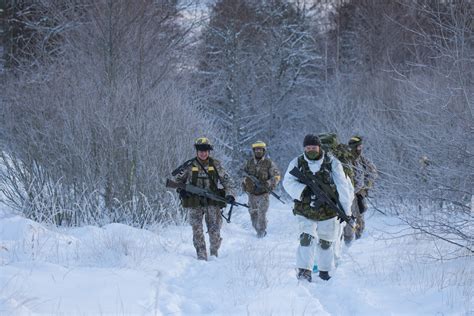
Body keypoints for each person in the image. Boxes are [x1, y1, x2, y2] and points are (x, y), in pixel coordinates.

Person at [283, 134, 354, 282]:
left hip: (328, 210)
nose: (311, 150)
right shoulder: (297, 162)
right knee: (306, 239)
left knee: (326, 242)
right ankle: (304, 271)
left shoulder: (332, 163)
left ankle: (324, 272)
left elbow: (343, 187)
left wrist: (346, 211)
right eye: (308, 148)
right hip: (305, 209)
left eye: (314, 147)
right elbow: (287, 182)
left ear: (319, 147)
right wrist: (303, 190)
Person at [174, 137, 235, 260]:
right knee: (197, 229)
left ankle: (214, 254)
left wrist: (230, 195)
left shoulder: (216, 165)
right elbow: (178, 181)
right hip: (194, 202)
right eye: (201, 150)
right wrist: (181, 190)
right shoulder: (189, 165)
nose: (203, 153)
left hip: (212, 202)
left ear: (209, 151)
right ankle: (201, 256)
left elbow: (228, 182)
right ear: (197, 151)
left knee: (214, 230)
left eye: (206, 150)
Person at [242, 141, 281, 238]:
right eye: (256, 150)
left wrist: (268, 183)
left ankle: (262, 231)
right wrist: (245, 183)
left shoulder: (269, 163)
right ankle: (257, 229)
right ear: (253, 151)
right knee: (253, 213)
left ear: (264, 151)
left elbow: (277, 176)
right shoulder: (249, 163)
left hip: (264, 193)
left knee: (262, 212)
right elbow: (242, 174)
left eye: (260, 149)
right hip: (251, 193)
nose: (258, 151)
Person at [343, 136, 378, 243]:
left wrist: (365, 186)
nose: (360, 149)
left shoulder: (362, 160)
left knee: (360, 216)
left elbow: (373, 173)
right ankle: (348, 240)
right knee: (350, 217)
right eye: (358, 147)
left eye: (361, 146)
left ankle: (358, 238)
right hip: (348, 195)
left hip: (359, 194)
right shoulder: (346, 160)